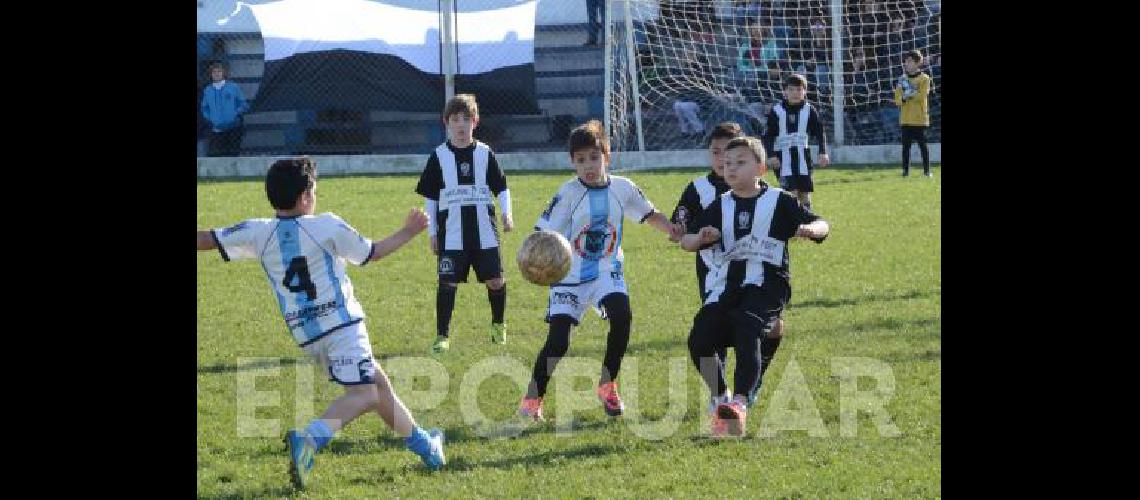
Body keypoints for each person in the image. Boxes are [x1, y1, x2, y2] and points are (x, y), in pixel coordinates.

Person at [195, 157, 445, 489]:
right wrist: (410, 230)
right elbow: (373, 253)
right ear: (304, 197)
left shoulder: (258, 232)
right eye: (313, 189)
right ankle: (310, 438)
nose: (316, 194)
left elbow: (207, 239)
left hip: (308, 335)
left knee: (379, 386)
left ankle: (426, 447)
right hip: (343, 327)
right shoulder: (326, 226)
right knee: (366, 393)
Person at [518, 119, 682, 422]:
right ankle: (532, 398)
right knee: (558, 342)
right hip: (568, 276)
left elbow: (649, 214)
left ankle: (608, 384)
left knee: (622, 315)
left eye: (594, 157)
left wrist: (672, 229)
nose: (588, 166)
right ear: (573, 164)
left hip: (607, 270)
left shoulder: (623, 188)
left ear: (607, 156)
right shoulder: (567, 193)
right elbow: (540, 234)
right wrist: (535, 263)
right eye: (581, 161)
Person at [681, 136, 829, 437]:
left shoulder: (780, 201)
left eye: (740, 162)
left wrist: (809, 229)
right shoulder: (719, 206)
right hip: (726, 284)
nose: (730, 168)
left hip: (768, 284)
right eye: (727, 164)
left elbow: (823, 224)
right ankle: (721, 397)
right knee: (699, 339)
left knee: (747, 327)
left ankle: (740, 403)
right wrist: (699, 239)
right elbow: (686, 240)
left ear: (760, 168)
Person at [415, 94, 514, 354]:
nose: (461, 125)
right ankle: (442, 336)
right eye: (455, 119)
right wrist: (432, 232)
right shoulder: (438, 156)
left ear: (475, 122)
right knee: (447, 282)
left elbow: (501, 187)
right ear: (446, 123)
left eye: (466, 119)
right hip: (451, 234)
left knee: (495, 280)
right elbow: (431, 197)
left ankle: (498, 325)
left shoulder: (484, 154)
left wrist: (507, 214)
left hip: (485, 231)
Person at [762, 73, 829, 212]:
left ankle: (807, 221)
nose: (795, 93)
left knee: (804, 193)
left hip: (803, 157)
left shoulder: (809, 110)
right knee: (790, 193)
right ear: (785, 91)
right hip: (782, 158)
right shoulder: (777, 110)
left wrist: (823, 152)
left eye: (799, 90)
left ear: (804, 91)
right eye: (791, 89)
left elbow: (819, 131)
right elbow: (768, 135)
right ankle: (792, 225)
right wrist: (771, 155)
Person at [894, 49, 934, 177]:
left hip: (919, 118)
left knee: (923, 146)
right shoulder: (902, 79)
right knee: (906, 147)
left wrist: (909, 94)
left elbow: (922, 96)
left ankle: (927, 171)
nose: (906, 63)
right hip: (905, 118)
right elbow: (897, 100)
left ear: (918, 63)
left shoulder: (925, 78)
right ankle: (905, 172)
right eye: (906, 61)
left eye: (910, 61)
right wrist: (905, 97)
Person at [200, 62, 249, 157]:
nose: (217, 74)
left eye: (219, 71)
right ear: (211, 74)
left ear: (224, 73)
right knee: (216, 155)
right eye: (214, 72)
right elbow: (204, 108)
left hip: (233, 128)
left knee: (232, 155)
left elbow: (244, 104)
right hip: (217, 130)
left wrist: (234, 114)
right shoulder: (208, 90)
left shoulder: (233, 87)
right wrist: (211, 118)